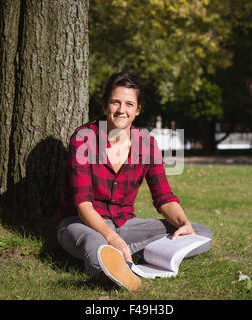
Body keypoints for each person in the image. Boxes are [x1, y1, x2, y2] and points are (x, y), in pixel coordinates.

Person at [57, 72, 212, 291]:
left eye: (129, 104)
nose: (122, 110)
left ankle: (122, 257)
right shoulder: (84, 138)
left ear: (138, 110)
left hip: (126, 225)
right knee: (95, 245)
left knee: (201, 233)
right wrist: (111, 237)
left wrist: (183, 223)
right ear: (104, 105)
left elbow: (164, 197)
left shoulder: (147, 145)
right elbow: (83, 205)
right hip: (82, 224)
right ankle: (114, 269)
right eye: (115, 102)